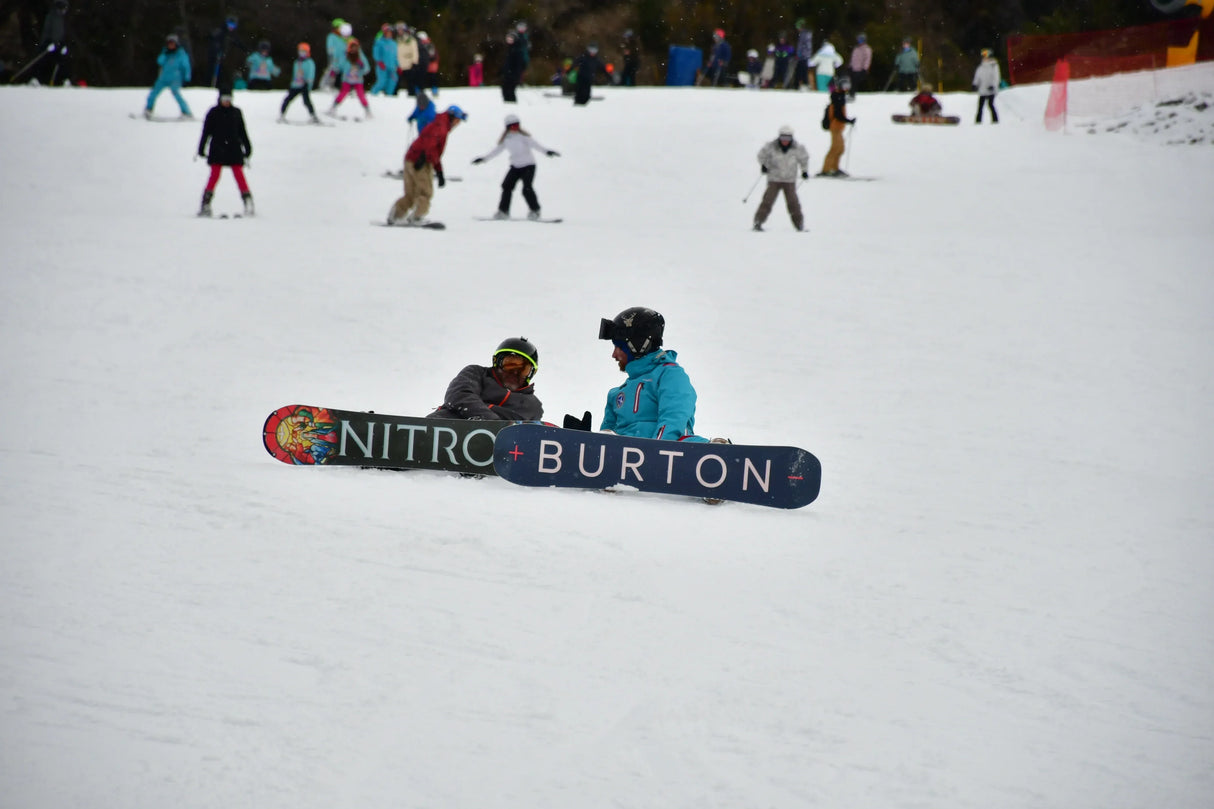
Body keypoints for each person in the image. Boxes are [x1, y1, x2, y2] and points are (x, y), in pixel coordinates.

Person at [579, 307, 709, 443]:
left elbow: (673, 420)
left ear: (637, 345)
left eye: (619, 347)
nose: (614, 355)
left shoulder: (669, 375)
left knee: (688, 441)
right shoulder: (616, 394)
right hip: (628, 459)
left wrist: (655, 452)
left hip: (667, 456)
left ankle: (719, 451)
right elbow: (606, 443)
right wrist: (584, 439)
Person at [387, 105, 467, 225]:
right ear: (451, 117)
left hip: (411, 158)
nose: (458, 124)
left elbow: (428, 143)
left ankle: (395, 215)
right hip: (421, 160)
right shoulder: (441, 126)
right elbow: (431, 147)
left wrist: (438, 169)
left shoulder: (438, 122)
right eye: (457, 120)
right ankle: (417, 217)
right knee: (425, 192)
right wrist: (437, 169)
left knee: (411, 194)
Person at [428, 338, 543, 421]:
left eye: (524, 369)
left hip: (496, 448)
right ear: (496, 362)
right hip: (447, 427)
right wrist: (493, 422)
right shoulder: (476, 373)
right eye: (510, 364)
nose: (515, 372)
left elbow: (527, 433)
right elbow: (459, 396)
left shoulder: (533, 406)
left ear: (531, 373)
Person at [472, 113, 560, 220]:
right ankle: (503, 211)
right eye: (513, 126)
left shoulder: (524, 137)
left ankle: (535, 210)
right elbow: (496, 151)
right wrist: (483, 159)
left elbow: (536, 145)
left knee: (526, 188)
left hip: (529, 166)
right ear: (508, 128)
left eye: (517, 125)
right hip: (515, 167)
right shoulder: (506, 139)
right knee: (506, 186)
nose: (516, 128)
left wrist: (547, 152)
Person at [197, 86, 253, 217]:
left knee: (239, 174)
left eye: (229, 99)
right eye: (224, 99)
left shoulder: (236, 112)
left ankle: (248, 201)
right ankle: (206, 203)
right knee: (214, 175)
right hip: (218, 148)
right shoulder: (213, 112)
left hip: (234, 148)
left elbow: (242, 132)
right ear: (219, 99)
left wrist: (248, 147)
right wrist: (201, 147)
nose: (227, 101)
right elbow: (206, 132)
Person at [753, 125, 809, 232]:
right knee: (767, 201)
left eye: (787, 138)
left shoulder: (798, 148)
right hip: (774, 179)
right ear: (779, 137)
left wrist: (804, 171)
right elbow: (761, 155)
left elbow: (804, 159)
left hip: (789, 180)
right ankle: (758, 222)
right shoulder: (771, 146)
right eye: (783, 138)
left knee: (793, 203)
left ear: (791, 138)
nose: (785, 141)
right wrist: (764, 165)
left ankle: (799, 225)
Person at [144, 34, 192, 119]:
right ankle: (149, 108)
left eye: (172, 43)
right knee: (154, 93)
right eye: (169, 44)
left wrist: (187, 76)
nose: (170, 45)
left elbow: (186, 65)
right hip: (164, 77)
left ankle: (186, 112)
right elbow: (159, 61)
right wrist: (164, 54)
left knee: (176, 93)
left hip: (175, 77)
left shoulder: (181, 54)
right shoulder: (165, 53)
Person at [819, 80, 856, 177]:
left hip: (839, 127)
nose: (846, 88)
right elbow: (838, 115)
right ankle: (826, 170)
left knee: (840, 148)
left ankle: (835, 168)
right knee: (835, 148)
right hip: (835, 127)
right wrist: (848, 120)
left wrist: (847, 121)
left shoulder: (840, 97)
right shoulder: (837, 98)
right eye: (845, 86)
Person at [327, 38, 371, 118]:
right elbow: (339, 65)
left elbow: (367, 68)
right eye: (352, 47)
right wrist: (334, 70)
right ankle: (333, 107)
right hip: (347, 79)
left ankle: (367, 110)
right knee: (343, 93)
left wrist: (362, 67)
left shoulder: (360, 57)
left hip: (358, 80)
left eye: (355, 47)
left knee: (361, 94)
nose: (354, 49)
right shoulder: (345, 57)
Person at [278, 43, 319, 123]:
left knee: (306, 101)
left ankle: (313, 116)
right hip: (295, 85)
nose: (302, 53)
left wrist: (308, 83)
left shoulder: (309, 62)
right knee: (287, 99)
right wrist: (292, 84)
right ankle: (281, 115)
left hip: (304, 85)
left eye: (304, 51)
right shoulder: (297, 62)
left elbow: (311, 74)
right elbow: (295, 74)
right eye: (300, 51)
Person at [206, 14, 247, 88]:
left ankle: (216, 85)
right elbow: (213, 41)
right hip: (214, 56)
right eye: (229, 24)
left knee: (221, 74)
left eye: (233, 25)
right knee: (212, 72)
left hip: (221, 57)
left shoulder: (231, 34)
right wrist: (216, 51)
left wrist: (246, 50)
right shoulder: (221, 32)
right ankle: (210, 85)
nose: (231, 27)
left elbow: (238, 42)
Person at [37, 0, 70, 86]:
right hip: (49, 44)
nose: (64, 11)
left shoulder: (62, 19)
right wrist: (48, 43)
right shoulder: (51, 17)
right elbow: (46, 31)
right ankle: (37, 79)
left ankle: (62, 80)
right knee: (44, 62)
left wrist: (63, 44)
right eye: (63, 8)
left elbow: (63, 33)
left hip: (58, 44)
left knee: (61, 62)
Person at [318, 19, 348, 92]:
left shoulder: (343, 38)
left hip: (343, 59)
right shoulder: (331, 36)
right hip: (335, 59)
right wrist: (333, 55)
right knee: (331, 71)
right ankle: (325, 85)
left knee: (342, 73)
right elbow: (330, 48)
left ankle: (340, 87)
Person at [973, 48, 1000, 124]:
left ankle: (995, 120)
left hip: (991, 89)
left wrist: (993, 85)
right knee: (980, 106)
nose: (985, 58)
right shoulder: (981, 67)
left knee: (990, 104)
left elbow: (996, 77)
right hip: (983, 89)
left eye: (986, 56)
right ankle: (978, 121)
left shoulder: (993, 65)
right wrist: (975, 84)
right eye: (983, 56)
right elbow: (977, 77)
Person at [370, 24, 398, 96]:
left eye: (390, 32)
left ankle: (388, 95)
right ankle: (373, 94)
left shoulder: (394, 43)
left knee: (393, 81)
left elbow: (395, 56)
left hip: (392, 66)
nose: (389, 33)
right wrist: (379, 62)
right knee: (382, 82)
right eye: (387, 32)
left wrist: (398, 65)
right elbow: (376, 53)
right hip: (382, 66)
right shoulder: (379, 42)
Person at [501, 31, 526, 102]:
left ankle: (512, 104)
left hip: (513, 74)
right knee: (505, 89)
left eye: (511, 39)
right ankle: (507, 102)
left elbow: (520, 64)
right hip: (507, 74)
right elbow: (507, 62)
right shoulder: (509, 49)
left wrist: (516, 74)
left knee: (510, 90)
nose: (509, 40)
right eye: (508, 39)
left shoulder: (517, 50)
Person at [395, 23, 419, 95]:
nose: (400, 31)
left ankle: (412, 95)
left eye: (401, 29)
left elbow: (415, 51)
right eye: (398, 30)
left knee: (411, 82)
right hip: (399, 65)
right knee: (396, 82)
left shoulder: (410, 40)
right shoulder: (396, 40)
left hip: (409, 64)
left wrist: (414, 62)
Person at [792, 19, 813, 90]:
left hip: (803, 57)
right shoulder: (803, 34)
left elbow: (805, 46)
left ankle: (803, 85)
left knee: (802, 71)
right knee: (800, 71)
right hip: (802, 57)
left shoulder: (805, 34)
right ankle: (798, 85)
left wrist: (801, 54)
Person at [418, 31, 439, 96]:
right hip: (423, 65)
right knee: (422, 78)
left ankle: (434, 90)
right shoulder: (418, 45)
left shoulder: (429, 45)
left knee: (432, 78)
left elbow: (432, 55)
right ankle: (420, 90)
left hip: (430, 65)